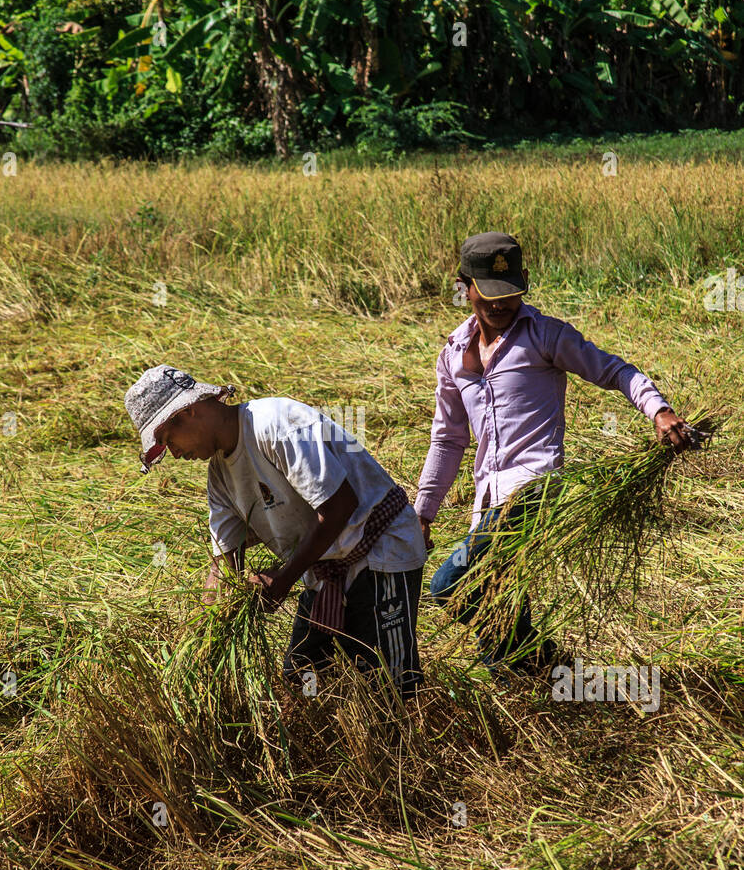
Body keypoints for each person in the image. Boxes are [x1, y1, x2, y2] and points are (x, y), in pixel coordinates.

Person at [414, 232, 696, 671]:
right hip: (487, 501)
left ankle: (542, 660)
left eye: (510, 293)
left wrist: (659, 412)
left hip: (533, 491)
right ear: (464, 286)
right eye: (487, 294)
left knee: (449, 584)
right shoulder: (453, 353)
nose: (499, 305)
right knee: (499, 602)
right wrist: (424, 512)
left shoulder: (546, 336)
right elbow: (448, 438)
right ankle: (538, 679)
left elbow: (615, 370)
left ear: (525, 281)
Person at [124, 366, 427, 696]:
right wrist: (203, 632)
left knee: (388, 684)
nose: (175, 453)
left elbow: (338, 507)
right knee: (304, 679)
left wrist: (282, 580)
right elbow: (223, 565)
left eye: (169, 440)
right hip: (321, 568)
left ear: (188, 411)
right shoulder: (220, 478)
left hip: (378, 550)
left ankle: (400, 740)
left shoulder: (274, 424)